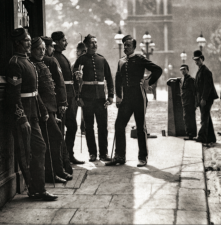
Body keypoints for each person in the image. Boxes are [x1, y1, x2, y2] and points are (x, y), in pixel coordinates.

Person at [5, 28, 57, 201]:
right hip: (24, 116)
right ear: (18, 43)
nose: (29, 42)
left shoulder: (27, 61)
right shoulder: (15, 63)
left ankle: (38, 188)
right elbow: (14, 95)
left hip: (33, 113)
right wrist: (21, 118)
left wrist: (42, 110)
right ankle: (35, 190)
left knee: (39, 148)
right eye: (26, 40)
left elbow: (35, 92)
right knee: (26, 153)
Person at [106, 35, 162, 167]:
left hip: (139, 96)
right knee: (119, 125)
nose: (125, 47)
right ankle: (119, 156)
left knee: (140, 127)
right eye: (124, 45)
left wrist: (148, 81)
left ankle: (142, 157)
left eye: (128, 45)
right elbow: (118, 79)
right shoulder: (121, 61)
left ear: (134, 47)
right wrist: (118, 96)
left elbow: (157, 70)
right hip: (126, 98)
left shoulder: (140, 59)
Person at [30, 37, 72, 183]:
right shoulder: (32, 65)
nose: (42, 52)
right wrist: (46, 110)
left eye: (43, 49)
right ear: (31, 50)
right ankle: (52, 173)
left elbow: (54, 86)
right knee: (52, 139)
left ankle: (56, 171)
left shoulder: (43, 63)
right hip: (42, 110)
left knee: (54, 139)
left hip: (50, 109)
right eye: (38, 49)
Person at [73, 34, 114, 162]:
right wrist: (78, 97)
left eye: (96, 42)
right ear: (86, 45)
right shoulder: (81, 60)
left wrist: (111, 95)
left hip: (101, 98)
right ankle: (92, 154)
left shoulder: (102, 59)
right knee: (89, 127)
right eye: (92, 43)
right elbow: (75, 81)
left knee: (102, 127)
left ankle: (103, 154)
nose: (95, 45)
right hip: (87, 99)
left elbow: (109, 78)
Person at [51, 31, 84, 165]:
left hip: (70, 97)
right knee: (61, 128)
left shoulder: (62, 57)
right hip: (61, 99)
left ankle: (69, 155)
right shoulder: (54, 58)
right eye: (64, 40)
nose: (66, 42)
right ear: (56, 42)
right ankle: (61, 158)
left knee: (72, 127)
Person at [41, 36, 73, 175]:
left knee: (55, 136)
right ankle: (62, 168)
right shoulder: (51, 60)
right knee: (57, 136)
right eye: (50, 47)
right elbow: (59, 84)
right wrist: (62, 103)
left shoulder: (51, 60)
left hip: (51, 105)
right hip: (53, 105)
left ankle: (62, 167)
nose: (52, 49)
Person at [193, 50, 218, 144]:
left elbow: (207, 87)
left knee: (204, 118)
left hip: (206, 98)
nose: (196, 62)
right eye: (195, 60)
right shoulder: (200, 71)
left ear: (202, 59)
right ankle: (211, 138)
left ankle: (202, 137)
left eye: (198, 60)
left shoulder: (206, 71)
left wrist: (203, 99)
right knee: (207, 117)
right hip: (202, 98)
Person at [167, 64, 197, 140]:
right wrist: (170, 79)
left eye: (184, 69)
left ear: (188, 70)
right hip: (185, 102)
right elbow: (179, 79)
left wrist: (195, 103)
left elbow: (195, 92)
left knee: (190, 118)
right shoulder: (182, 79)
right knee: (186, 118)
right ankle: (189, 133)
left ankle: (191, 134)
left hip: (190, 102)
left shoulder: (191, 80)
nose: (183, 71)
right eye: (181, 70)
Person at [72, 42, 87, 135]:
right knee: (73, 113)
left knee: (85, 113)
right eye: (81, 52)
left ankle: (84, 128)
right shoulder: (74, 64)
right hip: (75, 91)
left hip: (85, 91)